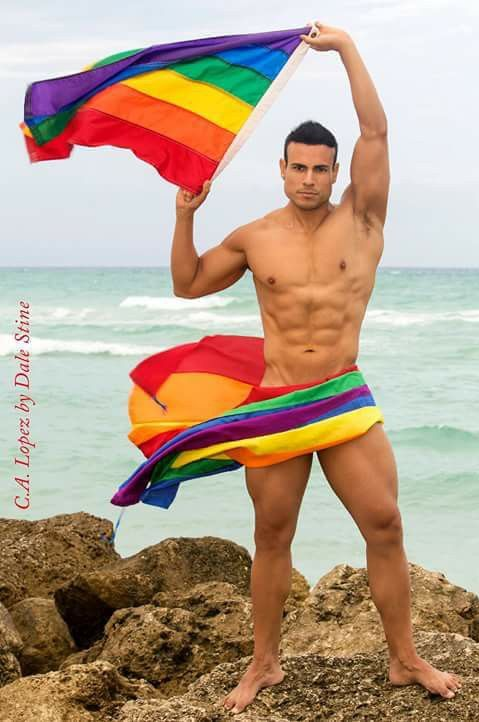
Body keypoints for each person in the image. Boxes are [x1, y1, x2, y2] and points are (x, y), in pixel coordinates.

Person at [171, 22, 462, 716]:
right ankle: (264, 663)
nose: (308, 179)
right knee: (272, 535)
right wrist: (183, 216)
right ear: (281, 169)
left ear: (336, 174)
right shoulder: (254, 236)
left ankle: (404, 659)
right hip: (277, 401)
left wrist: (347, 49)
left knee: (384, 524)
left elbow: (376, 131)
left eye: (319, 169)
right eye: (297, 168)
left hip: (340, 396)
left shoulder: (362, 219)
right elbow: (186, 284)